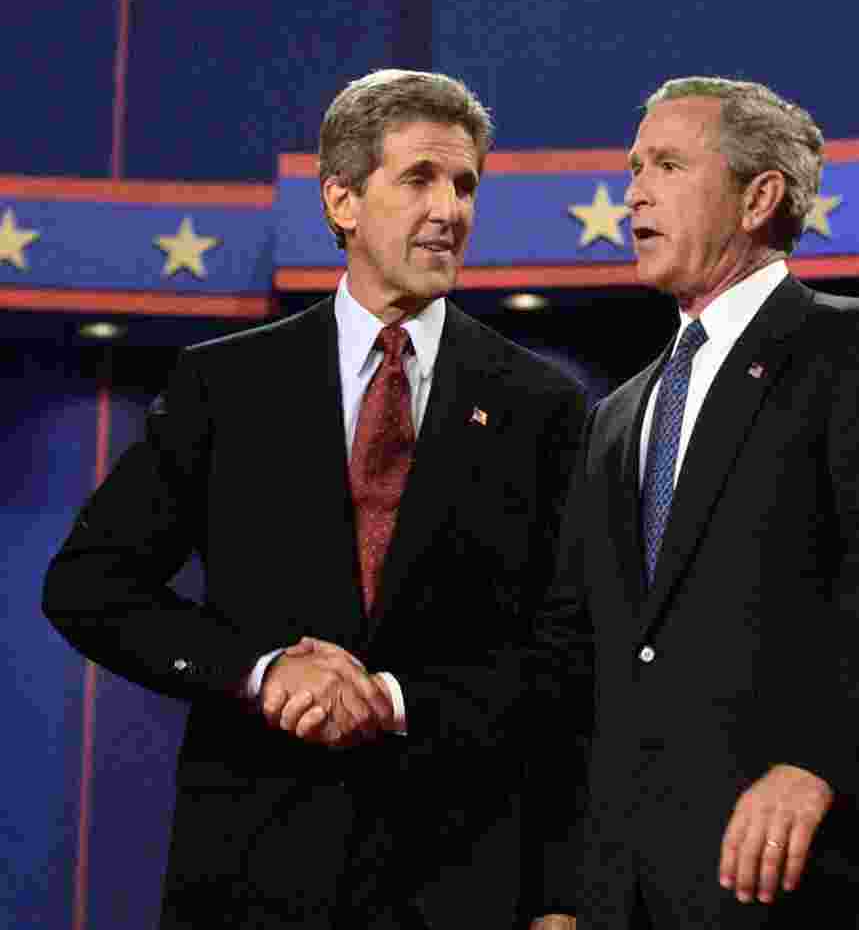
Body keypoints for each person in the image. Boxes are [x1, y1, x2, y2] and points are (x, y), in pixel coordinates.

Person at [43, 69, 585, 930]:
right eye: (419, 180)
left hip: (458, 879)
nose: (450, 209)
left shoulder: (542, 406)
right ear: (341, 200)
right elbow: (89, 584)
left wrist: (398, 702)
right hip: (252, 873)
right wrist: (259, 673)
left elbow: (568, 655)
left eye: (465, 184)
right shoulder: (225, 383)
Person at [542, 76, 859, 928]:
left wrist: (812, 760)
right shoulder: (619, 413)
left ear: (758, 196)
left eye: (666, 164)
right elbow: (578, 653)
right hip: (629, 893)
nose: (635, 192)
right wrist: (561, 889)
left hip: (788, 877)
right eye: (632, 169)